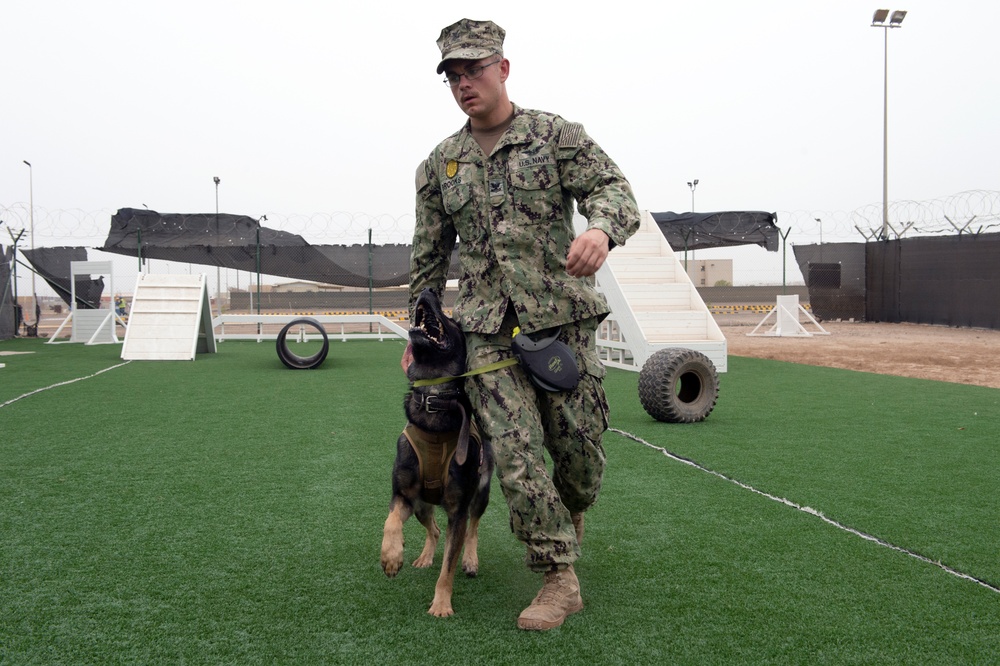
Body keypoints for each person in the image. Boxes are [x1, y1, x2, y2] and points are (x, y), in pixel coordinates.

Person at [402, 18, 641, 631]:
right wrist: (418, 334)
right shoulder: (441, 165)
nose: (463, 84)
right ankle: (557, 576)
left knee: (577, 459)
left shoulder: (553, 136)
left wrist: (599, 228)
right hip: (486, 332)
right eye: (452, 76)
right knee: (513, 451)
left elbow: (613, 187)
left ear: (503, 69)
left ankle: (569, 511)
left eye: (473, 70)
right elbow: (427, 260)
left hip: (560, 322)